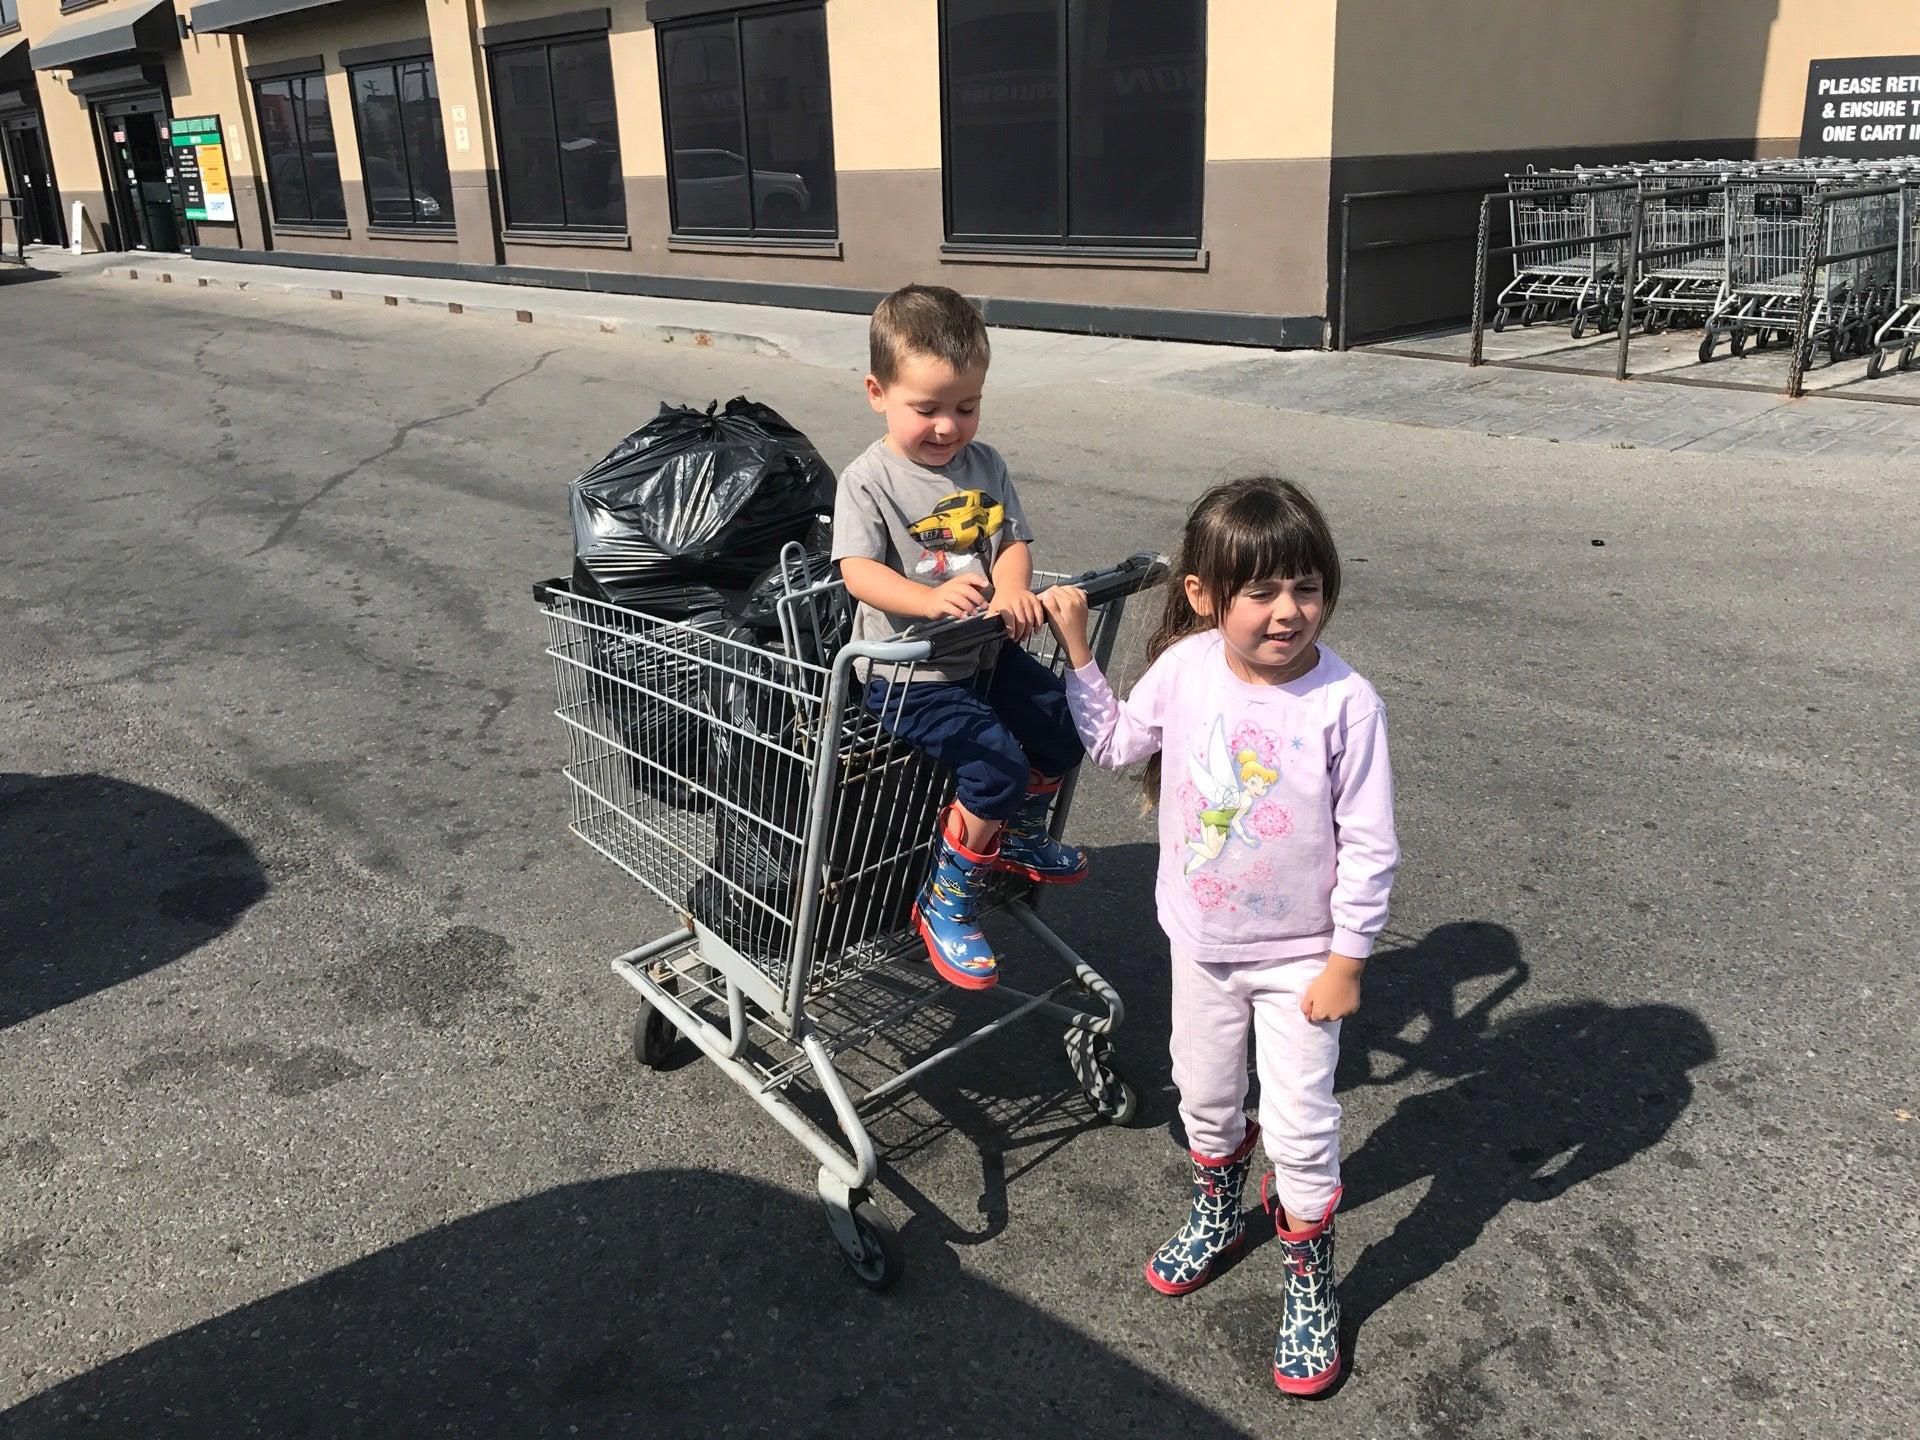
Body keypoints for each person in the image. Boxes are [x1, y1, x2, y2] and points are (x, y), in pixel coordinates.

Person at [1040, 477, 1399, 1396]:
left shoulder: (1344, 701)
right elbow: (1120, 747)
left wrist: (1350, 957)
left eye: (1308, 588)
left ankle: (1310, 1276)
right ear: (1204, 596)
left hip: (1301, 961)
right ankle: (1219, 1204)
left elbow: (1370, 843)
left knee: (1303, 1129)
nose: (1290, 613)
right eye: (1263, 592)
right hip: (1200, 944)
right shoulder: (1188, 665)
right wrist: (1079, 653)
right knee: (1203, 1099)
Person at [831, 284, 1089, 991]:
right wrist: (928, 598)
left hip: (982, 651)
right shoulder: (869, 480)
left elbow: (1011, 544)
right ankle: (945, 898)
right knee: (995, 766)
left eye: (966, 406)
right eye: (928, 408)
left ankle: (1015, 838)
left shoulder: (987, 465)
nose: (948, 426)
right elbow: (857, 573)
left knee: (1062, 729)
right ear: (877, 392)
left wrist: (1010, 589)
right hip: (909, 675)